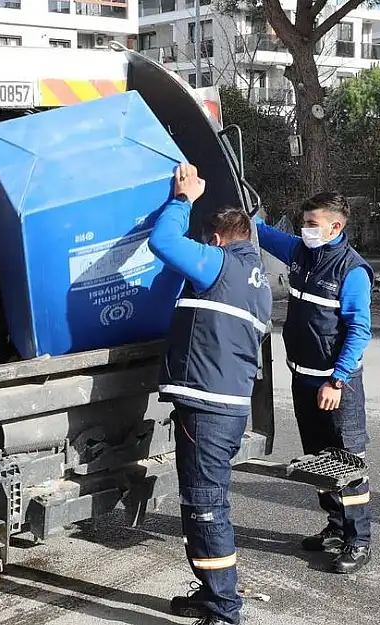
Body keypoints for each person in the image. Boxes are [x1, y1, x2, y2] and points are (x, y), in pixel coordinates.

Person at [150, 163, 272, 625]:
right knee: (205, 502)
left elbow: (162, 243)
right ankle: (211, 593)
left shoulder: (218, 263)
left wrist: (182, 199)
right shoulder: (259, 286)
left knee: (206, 506)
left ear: (218, 239)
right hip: (227, 406)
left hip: (207, 407)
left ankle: (224, 608)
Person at [255, 191, 375, 575]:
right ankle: (335, 530)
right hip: (304, 379)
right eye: (304, 222)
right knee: (321, 465)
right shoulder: (299, 252)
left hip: (335, 386)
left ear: (335, 226)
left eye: (312, 224)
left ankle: (358, 542)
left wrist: (336, 381)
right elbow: (256, 230)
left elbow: (359, 331)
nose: (304, 229)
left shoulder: (352, 270)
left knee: (346, 465)